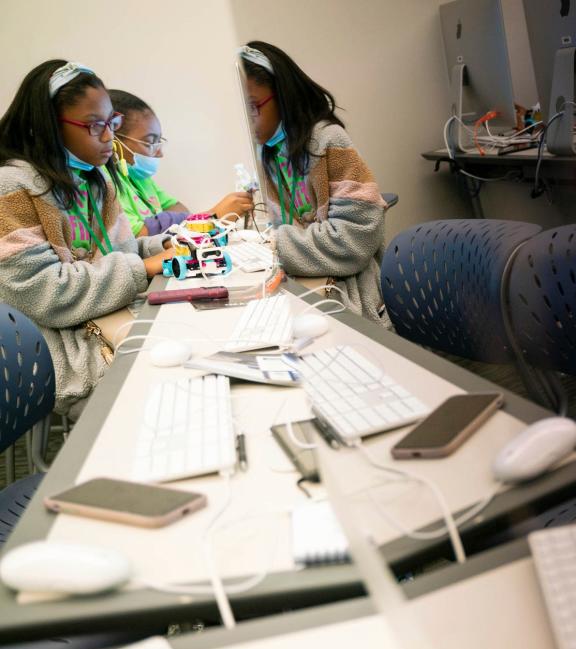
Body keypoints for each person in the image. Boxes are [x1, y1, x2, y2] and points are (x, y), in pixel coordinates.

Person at [0, 61, 173, 415]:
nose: (110, 137)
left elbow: (116, 253)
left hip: (107, 321)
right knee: (170, 377)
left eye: (113, 123)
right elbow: (44, 293)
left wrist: (162, 246)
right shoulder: (11, 189)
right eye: (95, 126)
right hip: (63, 350)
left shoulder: (93, 179)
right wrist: (142, 266)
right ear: (47, 126)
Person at [238, 41, 389, 325]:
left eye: (252, 108)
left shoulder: (329, 141)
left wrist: (272, 244)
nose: (248, 121)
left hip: (349, 289)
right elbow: (273, 225)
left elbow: (354, 241)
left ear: (281, 96)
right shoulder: (269, 155)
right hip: (307, 282)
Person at [106, 89, 252, 236]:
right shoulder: (106, 184)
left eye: (159, 142)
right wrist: (212, 216)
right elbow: (137, 237)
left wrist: (160, 224)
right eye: (150, 142)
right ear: (113, 140)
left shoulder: (138, 177)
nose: (160, 153)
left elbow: (180, 209)